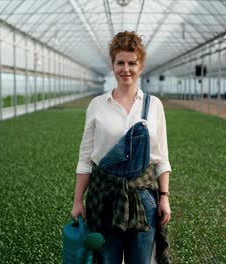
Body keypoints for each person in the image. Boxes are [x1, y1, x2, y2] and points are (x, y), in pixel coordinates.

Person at [71, 31, 171, 264]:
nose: (126, 69)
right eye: (120, 63)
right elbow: (86, 158)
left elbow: (161, 157)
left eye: (132, 63)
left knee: (141, 260)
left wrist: (164, 197)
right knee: (107, 259)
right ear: (113, 65)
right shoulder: (97, 105)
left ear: (141, 65)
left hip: (142, 197)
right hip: (105, 197)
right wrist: (77, 201)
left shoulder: (153, 105)